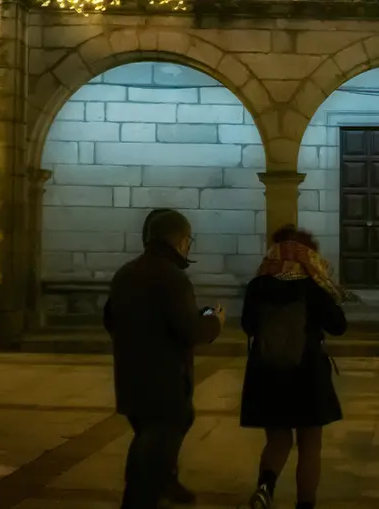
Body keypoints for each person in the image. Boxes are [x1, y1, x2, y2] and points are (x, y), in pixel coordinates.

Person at [104, 208, 224, 509]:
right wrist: (215, 321)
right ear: (181, 241)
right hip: (164, 383)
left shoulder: (126, 273)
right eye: (188, 241)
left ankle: (165, 481)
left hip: (131, 377)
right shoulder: (173, 278)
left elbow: (111, 319)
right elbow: (188, 329)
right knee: (155, 449)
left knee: (148, 439)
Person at [241, 226, 349, 509]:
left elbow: (247, 326)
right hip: (307, 372)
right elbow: (339, 326)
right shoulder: (312, 285)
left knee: (277, 440)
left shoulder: (258, 284)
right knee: (310, 445)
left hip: (266, 372)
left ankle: (265, 488)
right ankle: (305, 505)